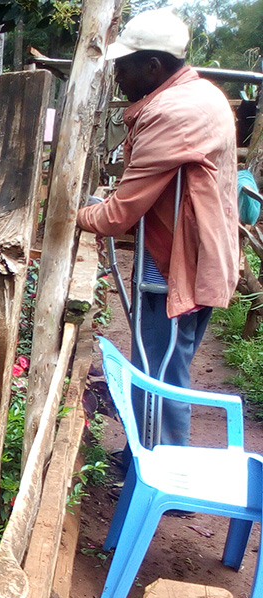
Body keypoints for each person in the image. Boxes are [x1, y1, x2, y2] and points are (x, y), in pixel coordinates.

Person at [77, 7, 239, 448]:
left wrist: (73, 214)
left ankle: (163, 464)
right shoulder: (203, 94)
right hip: (199, 250)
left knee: (159, 368)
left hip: (174, 263)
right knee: (168, 362)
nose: (119, 77)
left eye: (125, 67)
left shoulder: (171, 112)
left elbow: (117, 216)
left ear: (153, 66)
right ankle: (147, 453)